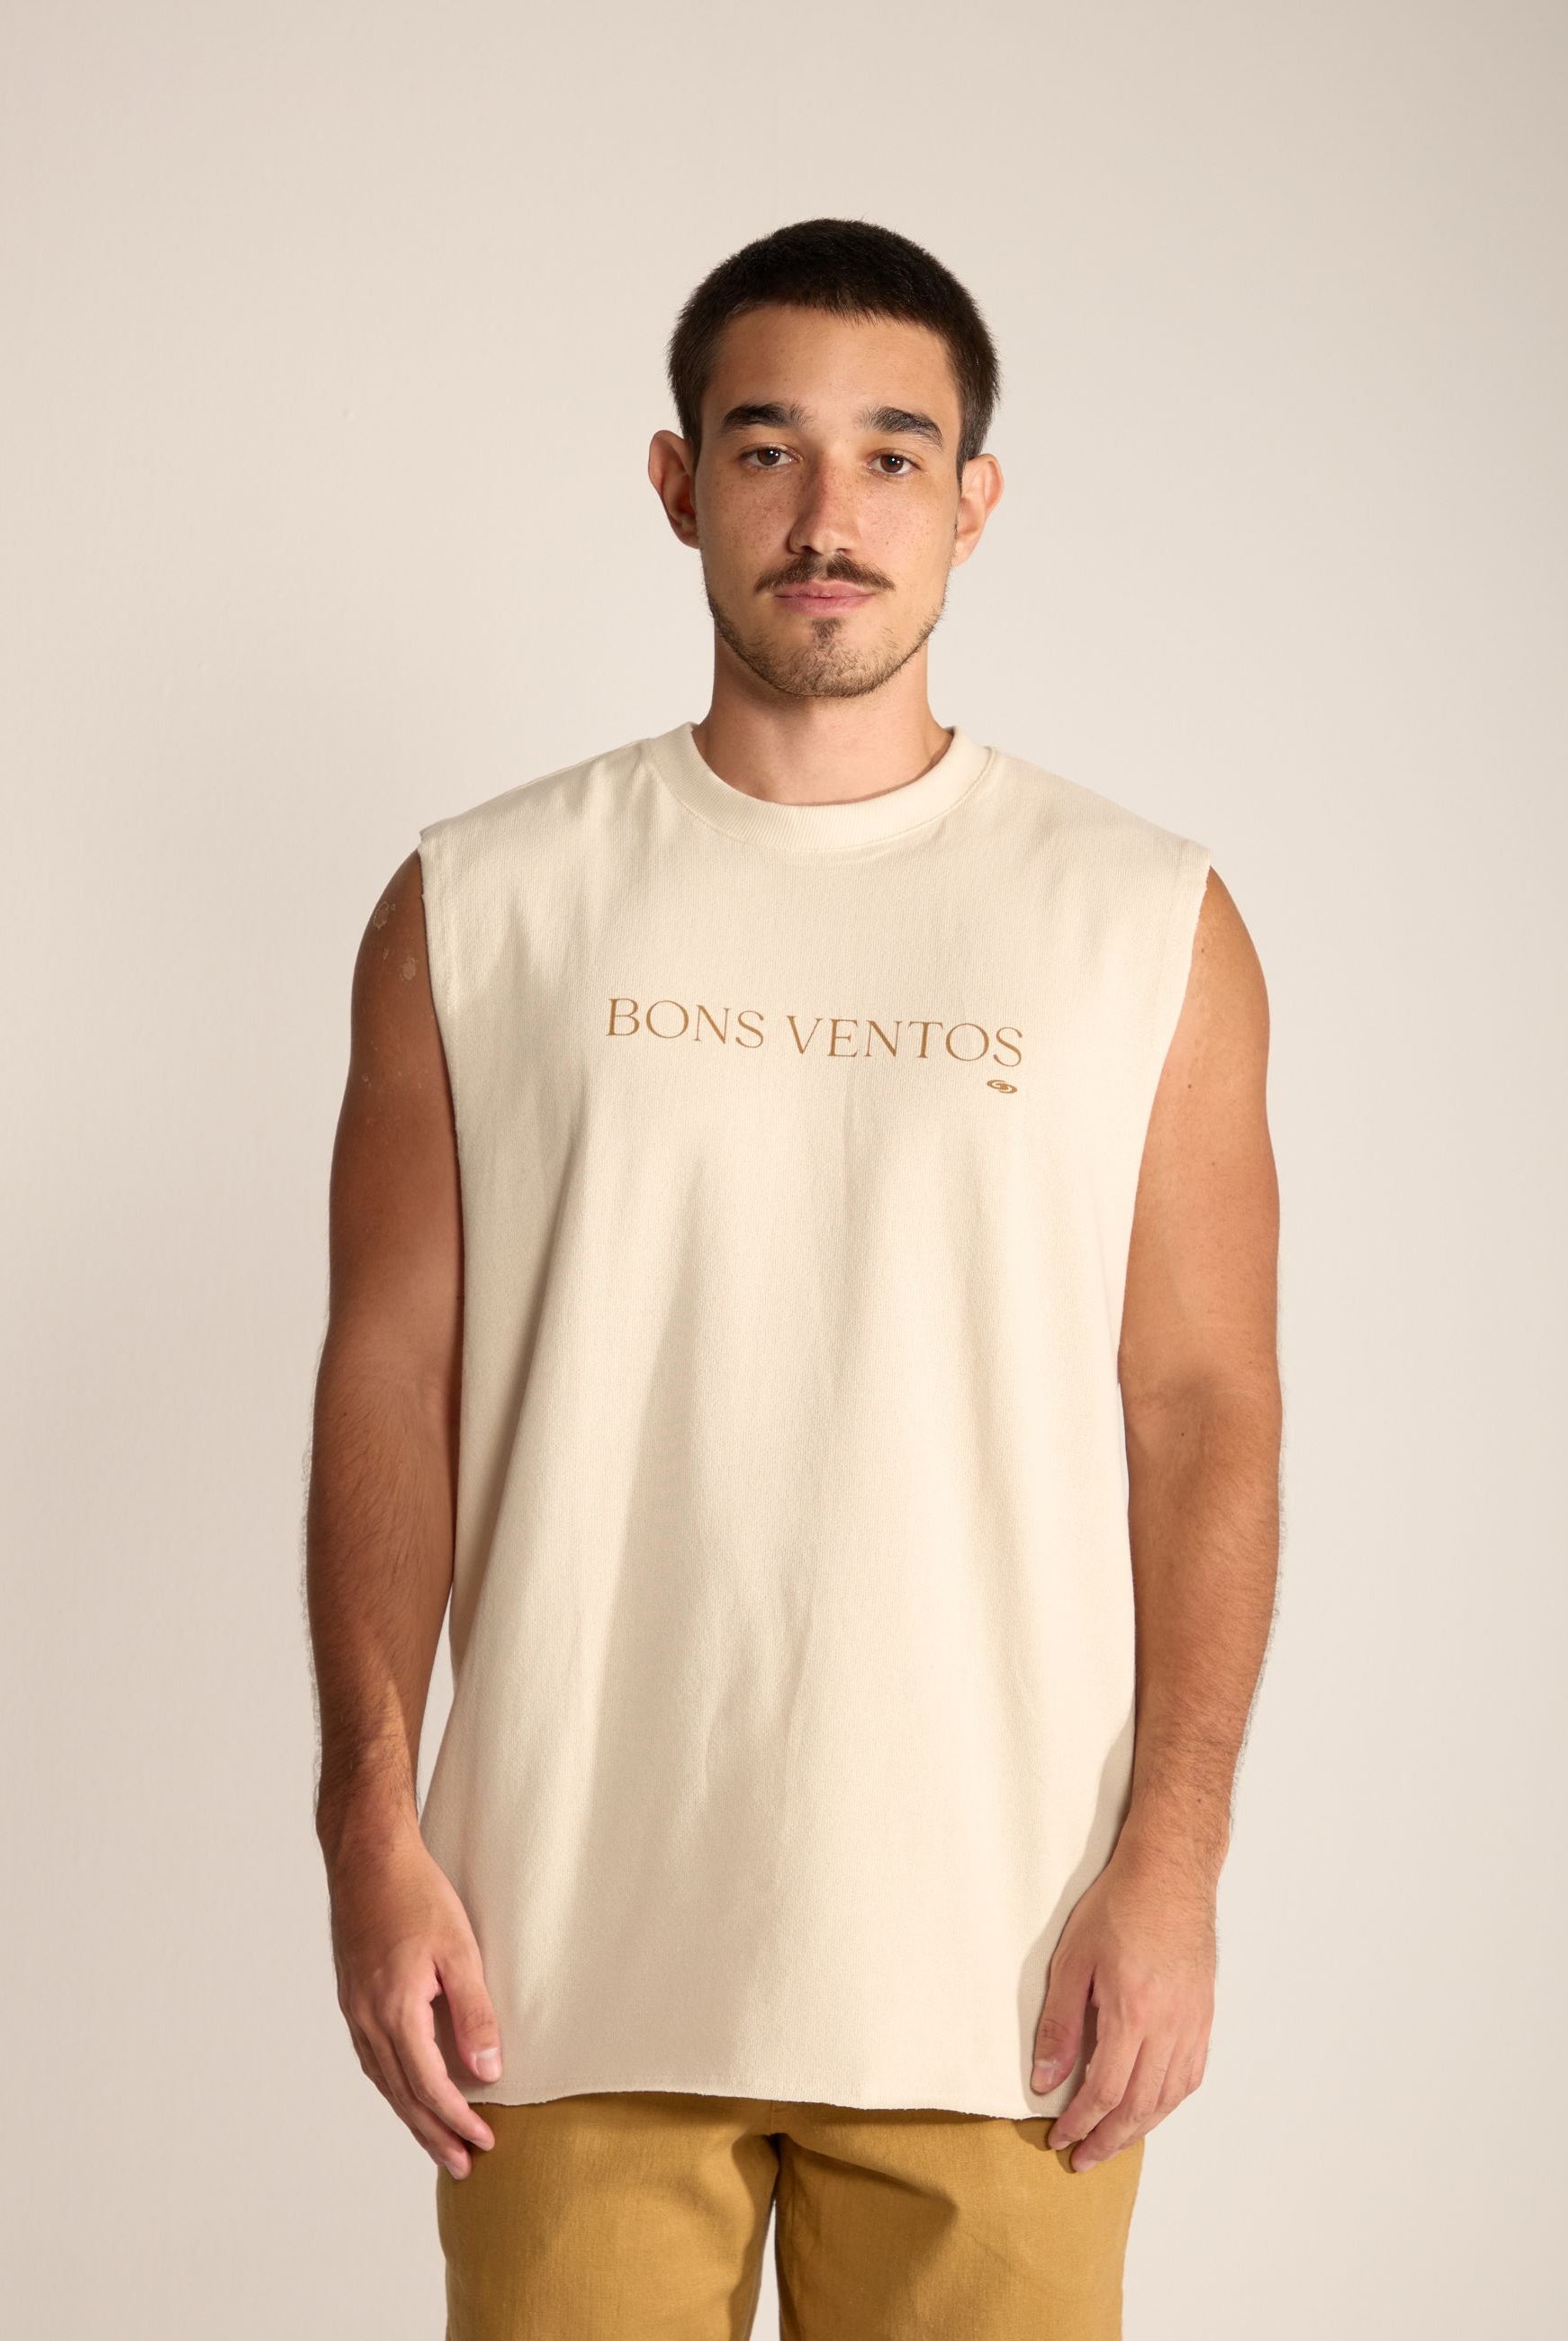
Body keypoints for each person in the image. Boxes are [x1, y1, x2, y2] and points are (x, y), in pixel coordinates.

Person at [305, 216, 1281, 2340]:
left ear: (972, 499)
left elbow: (1201, 1407)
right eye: (766, 449)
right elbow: (388, 1372)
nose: (829, 515)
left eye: (892, 454)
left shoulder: (1141, 921)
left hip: (1007, 1979)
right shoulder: (481, 904)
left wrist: (1175, 1858)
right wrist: (368, 1819)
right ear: (679, 483)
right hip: (558, 1950)